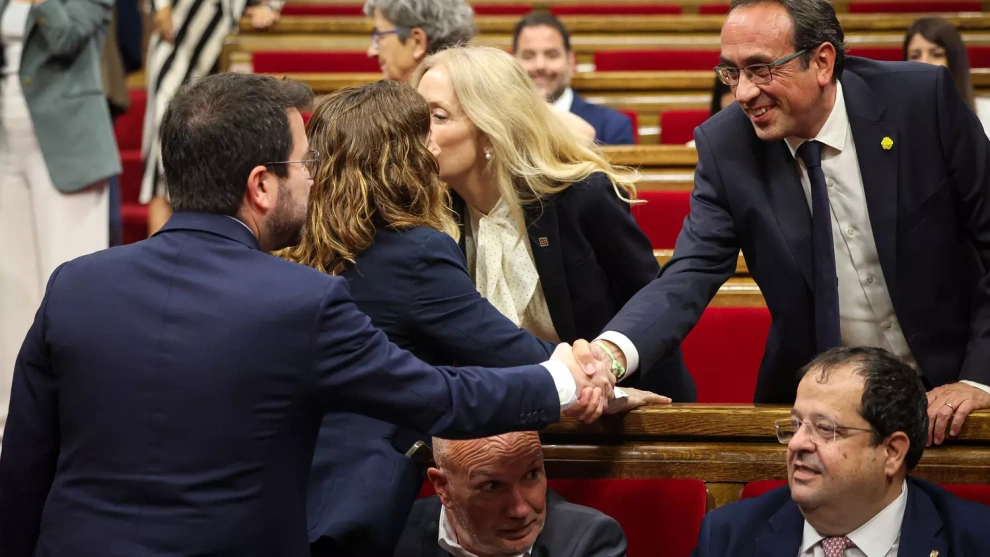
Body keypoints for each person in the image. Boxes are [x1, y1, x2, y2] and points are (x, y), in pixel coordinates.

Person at [0, 73, 616, 557]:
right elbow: (437, 396)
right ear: (261, 185)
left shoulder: (74, 284)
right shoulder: (298, 300)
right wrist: (562, 381)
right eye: (305, 166)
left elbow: (23, 463)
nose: (317, 180)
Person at [286, 80, 664, 557]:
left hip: (290, 492)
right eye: (424, 137)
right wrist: (598, 379)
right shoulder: (414, 253)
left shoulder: (298, 247)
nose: (433, 148)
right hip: (350, 510)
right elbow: (509, 353)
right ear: (404, 159)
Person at [597, 0, 990, 443]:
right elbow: (690, 271)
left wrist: (979, 379)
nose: (743, 92)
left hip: (955, 388)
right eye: (731, 72)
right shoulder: (727, 146)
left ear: (822, 62)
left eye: (760, 69)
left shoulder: (920, 101)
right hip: (821, 414)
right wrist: (610, 354)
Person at [413, 45, 697, 403]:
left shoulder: (581, 196)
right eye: (416, 116)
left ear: (490, 131)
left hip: (614, 408)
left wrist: (631, 398)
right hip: (502, 414)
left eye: (438, 116)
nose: (417, 133)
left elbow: (648, 309)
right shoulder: (431, 215)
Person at [691, 346, 990, 556]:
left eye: (825, 429)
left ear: (892, 452)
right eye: (796, 425)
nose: (797, 444)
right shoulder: (728, 537)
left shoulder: (976, 540)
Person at [0, 0, 118, 452]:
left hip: (69, 145)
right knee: (13, 291)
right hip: (8, 143)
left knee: (70, 286)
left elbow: (66, 37)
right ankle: (11, 424)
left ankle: (79, 424)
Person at [139, 0, 283, 236]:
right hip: (177, 40)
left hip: (225, 45)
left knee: (221, 163)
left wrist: (269, 6)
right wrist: (160, 6)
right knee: (163, 163)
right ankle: (161, 254)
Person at [395, 431, 628, 557]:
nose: (521, 510)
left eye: (531, 475)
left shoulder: (588, 540)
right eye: (492, 486)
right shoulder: (394, 532)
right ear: (443, 487)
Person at [513, 12, 636, 145]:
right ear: (512, 63)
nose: (540, 66)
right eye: (528, 56)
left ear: (571, 63)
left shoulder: (612, 127)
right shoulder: (500, 124)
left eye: (552, 55)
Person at [903, 17, 990, 135]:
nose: (924, 63)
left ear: (954, 61)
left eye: (936, 54)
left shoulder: (986, 114)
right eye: (915, 56)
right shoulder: (893, 115)